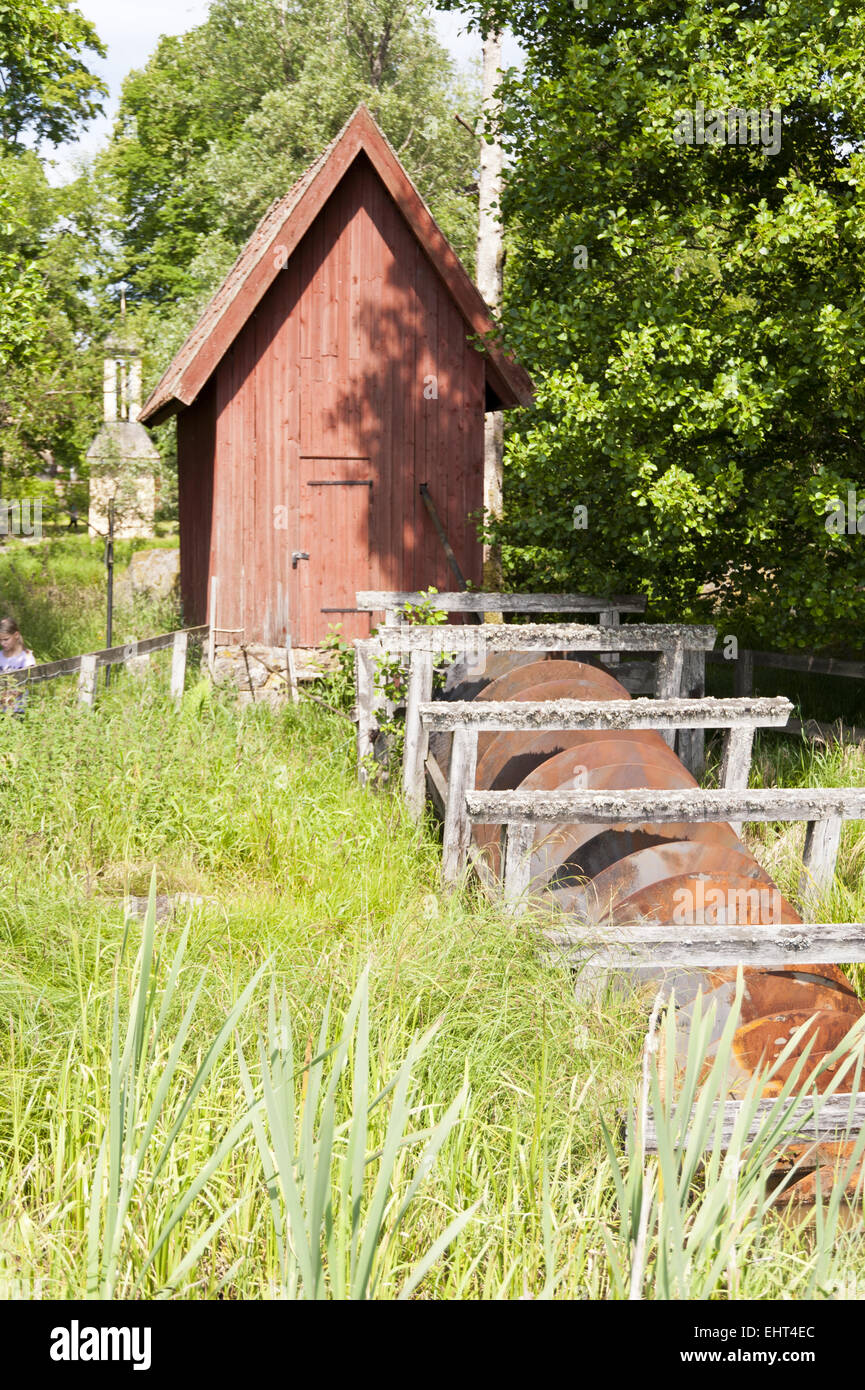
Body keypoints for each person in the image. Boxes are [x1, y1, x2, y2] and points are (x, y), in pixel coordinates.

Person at [0, 617, 36, 714]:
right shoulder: (0, 656)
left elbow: (25, 683)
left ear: (16, 635)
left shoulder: (26, 657)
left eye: (6, 639)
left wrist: (7, 698)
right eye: (0, 640)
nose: (2, 643)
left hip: (17, 710)